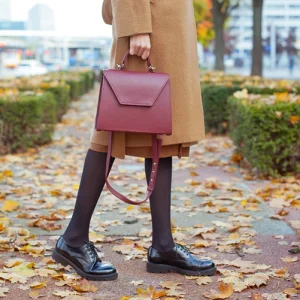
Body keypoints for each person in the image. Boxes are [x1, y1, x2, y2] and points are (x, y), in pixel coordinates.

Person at [52, 0, 216, 281]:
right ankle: (74, 238)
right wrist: (137, 25)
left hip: (166, 25)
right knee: (113, 129)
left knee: (161, 131)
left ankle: (163, 245)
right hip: (150, 26)